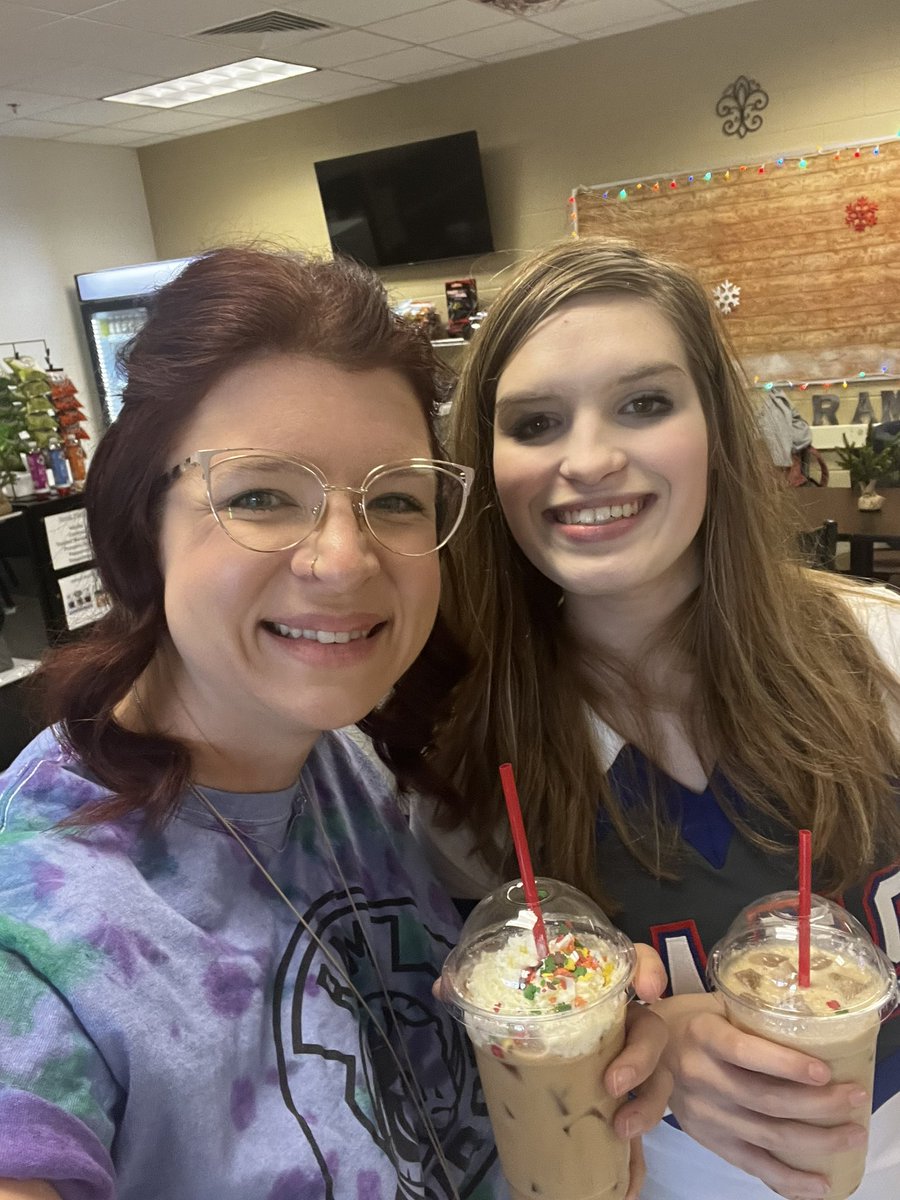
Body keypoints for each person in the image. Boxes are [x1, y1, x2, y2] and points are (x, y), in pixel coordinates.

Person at [0, 246, 666, 1200]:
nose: (346, 560)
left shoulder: (352, 769)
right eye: (262, 496)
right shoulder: (39, 922)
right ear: (140, 520)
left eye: (396, 500)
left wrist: (588, 1044)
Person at [403, 238, 900, 1200]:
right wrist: (649, 1039)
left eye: (645, 403)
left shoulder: (879, 657)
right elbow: (501, 1069)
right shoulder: (466, 770)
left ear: (716, 424)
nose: (589, 459)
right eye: (537, 422)